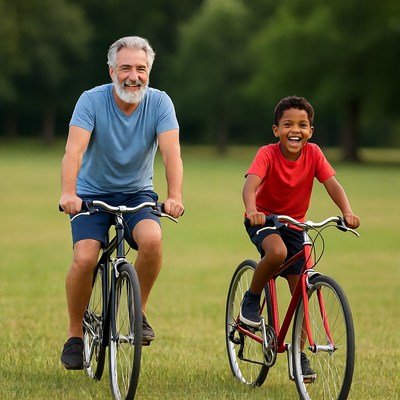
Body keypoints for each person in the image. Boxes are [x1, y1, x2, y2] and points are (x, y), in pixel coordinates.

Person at [59, 36, 184, 370]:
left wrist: (174, 197)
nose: (134, 76)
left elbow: (172, 153)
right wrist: (69, 193)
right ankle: (74, 335)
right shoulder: (91, 101)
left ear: (149, 72)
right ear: (112, 69)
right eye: (126, 67)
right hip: (91, 194)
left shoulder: (159, 103)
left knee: (153, 241)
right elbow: (74, 151)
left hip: (137, 193)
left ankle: (137, 311)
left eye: (141, 68)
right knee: (85, 258)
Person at [239, 95, 360, 378]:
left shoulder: (314, 154)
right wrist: (252, 209)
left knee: (302, 291)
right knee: (277, 253)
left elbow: (333, 184)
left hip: (296, 226)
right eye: (288, 124)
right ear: (276, 130)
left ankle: (298, 354)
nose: (295, 130)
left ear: (311, 131)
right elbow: (250, 185)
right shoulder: (267, 154)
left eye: (302, 125)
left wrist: (347, 211)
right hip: (265, 220)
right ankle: (251, 299)